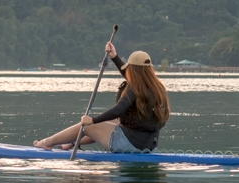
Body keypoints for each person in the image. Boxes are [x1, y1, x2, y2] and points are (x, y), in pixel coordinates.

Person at [34, 42, 170, 152]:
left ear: (132, 69)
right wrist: (114, 57)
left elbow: (118, 110)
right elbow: (131, 77)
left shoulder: (134, 88)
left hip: (132, 146)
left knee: (89, 127)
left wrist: (92, 120)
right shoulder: (157, 87)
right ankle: (70, 144)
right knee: (116, 122)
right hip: (149, 145)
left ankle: (47, 143)